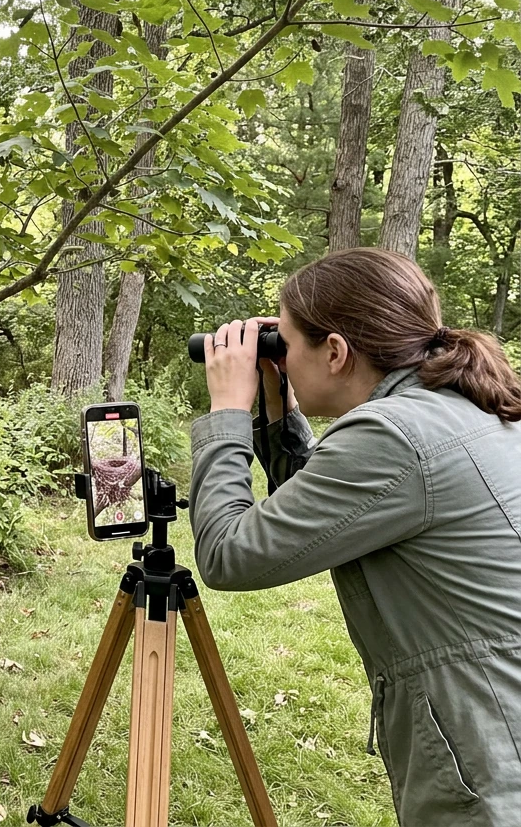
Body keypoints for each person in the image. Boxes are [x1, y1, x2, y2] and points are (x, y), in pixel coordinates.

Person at [190, 247, 521, 826]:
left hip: (493, 752)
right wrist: (275, 405)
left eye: (286, 346)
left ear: (336, 352)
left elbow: (228, 554)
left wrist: (226, 412)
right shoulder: (453, 406)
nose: (281, 360)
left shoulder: (393, 435)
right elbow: (331, 516)